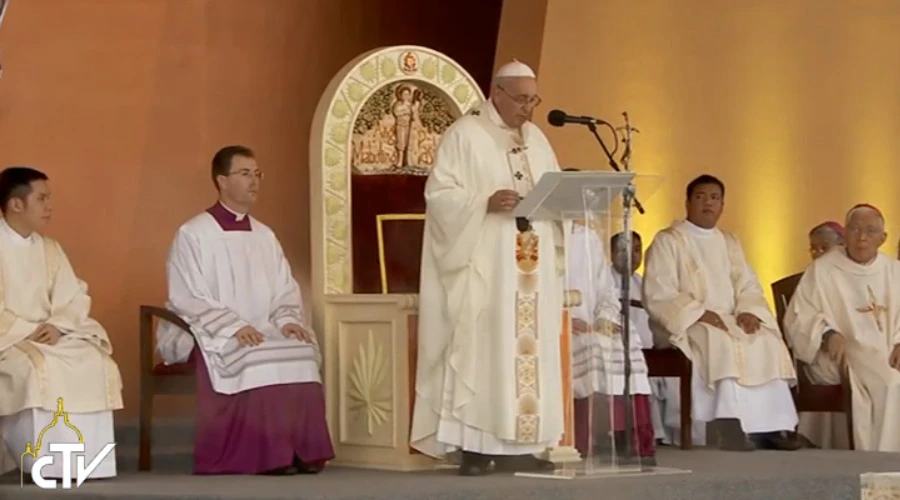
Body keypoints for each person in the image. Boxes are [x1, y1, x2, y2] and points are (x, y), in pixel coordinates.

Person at [410, 60, 565, 476]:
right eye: (520, 99)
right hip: (487, 267)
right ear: (496, 92)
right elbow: (439, 195)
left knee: (528, 352)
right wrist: (483, 202)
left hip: (531, 266)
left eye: (533, 99)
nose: (528, 109)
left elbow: (552, 190)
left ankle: (525, 444)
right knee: (487, 349)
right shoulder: (465, 134)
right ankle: (475, 446)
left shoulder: (537, 139)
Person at [157, 146, 334, 475]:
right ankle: (265, 456)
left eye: (257, 174)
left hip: (262, 328)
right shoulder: (194, 234)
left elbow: (284, 287)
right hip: (212, 330)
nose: (254, 181)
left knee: (302, 349)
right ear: (222, 181)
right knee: (255, 356)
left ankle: (301, 453)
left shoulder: (264, 235)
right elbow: (188, 295)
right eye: (245, 174)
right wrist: (233, 326)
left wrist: (288, 321)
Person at [642, 174, 800, 451]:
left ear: (722, 205)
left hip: (731, 318)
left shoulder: (729, 242)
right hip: (688, 323)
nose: (708, 203)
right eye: (701, 197)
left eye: (714, 198)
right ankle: (729, 425)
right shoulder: (669, 241)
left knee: (766, 341)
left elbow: (747, 283)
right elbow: (658, 291)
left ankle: (772, 427)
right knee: (721, 343)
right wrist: (698, 313)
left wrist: (750, 311)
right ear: (688, 202)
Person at [0, 167, 123, 481]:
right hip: (10, 339)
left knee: (96, 360)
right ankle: (41, 464)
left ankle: (87, 465)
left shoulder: (49, 249)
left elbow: (73, 296)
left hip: (48, 333)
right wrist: (26, 331)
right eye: (41, 199)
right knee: (37, 366)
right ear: (16, 204)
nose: (49, 207)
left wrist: (58, 325)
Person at [784, 204, 900, 452]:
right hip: (839, 353)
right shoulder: (823, 269)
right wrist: (827, 334)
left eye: (870, 230)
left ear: (883, 238)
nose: (862, 237)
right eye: (855, 229)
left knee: (889, 374)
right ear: (845, 234)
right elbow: (799, 316)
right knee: (891, 382)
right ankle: (882, 463)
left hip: (886, 350)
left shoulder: (894, 271)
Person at [568, 223, 655, 464]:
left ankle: (628, 437)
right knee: (592, 346)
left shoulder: (589, 237)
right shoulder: (541, 232)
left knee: (627, 342)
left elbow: (607, 290)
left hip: (592, 322)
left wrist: (605, 318)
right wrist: (563, 318)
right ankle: (591, 437)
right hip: (561, 323)